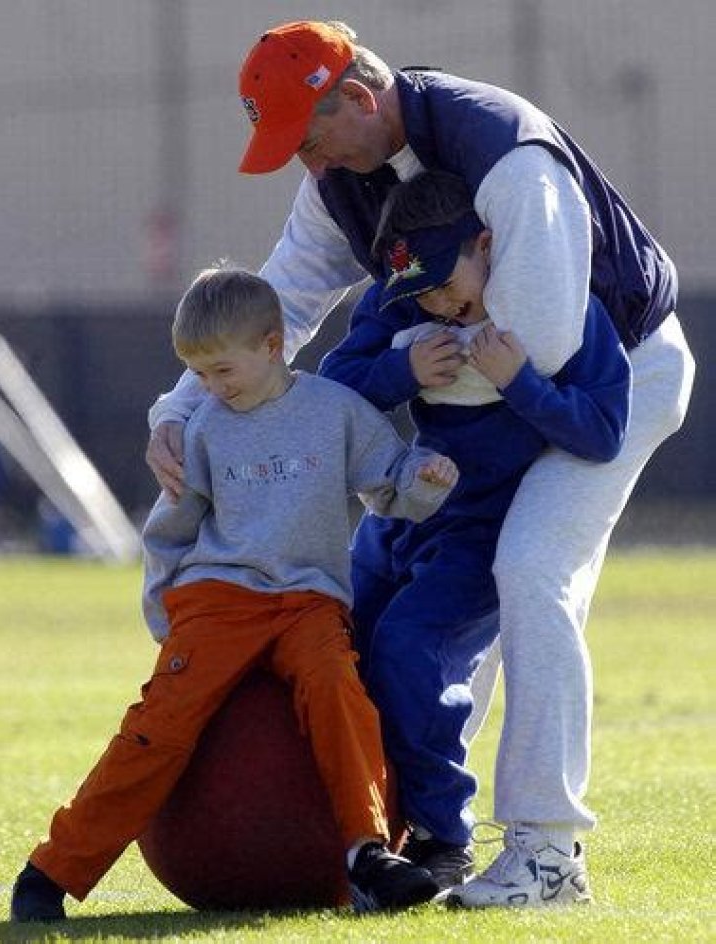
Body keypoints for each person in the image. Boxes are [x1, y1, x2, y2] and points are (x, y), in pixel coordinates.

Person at [145, 20, 695, 907]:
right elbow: (278, 305)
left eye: (310, 140)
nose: (307, 166)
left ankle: (550, 852)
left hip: (615, 378)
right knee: (416, 613)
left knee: (529, 570)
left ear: (360, 100)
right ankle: (420, 832)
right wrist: (180, 410)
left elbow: (541, 347)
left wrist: (393, 365)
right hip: (473, 417)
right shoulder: (342, 184)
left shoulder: (506, 149)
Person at [10, 266, 465, 923]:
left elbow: (391, 485)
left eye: (221, 371)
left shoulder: (335, 411)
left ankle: (367, 856)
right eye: (197, 374)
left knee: (339, 691)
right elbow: (169, 532)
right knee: (158, 726)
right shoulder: (202, 427)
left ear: (273, 345)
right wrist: (168, 613)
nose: (208, 388)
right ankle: (53, 869)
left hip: (311, 601)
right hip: (217, 598)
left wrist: (426, 477)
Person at [318, 169, 631, 896]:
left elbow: (603, 433)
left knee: (410, 648)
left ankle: (443, 837)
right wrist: (401, 369)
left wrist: (522, 382)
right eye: (417, 291)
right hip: (400, 514)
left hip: (481, 532)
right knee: (342, 644)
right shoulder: (403, 306)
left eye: (443, 281)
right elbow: (332, 392)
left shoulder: (557, 309)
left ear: (485, 243)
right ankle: (365, 831)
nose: (436, 303)